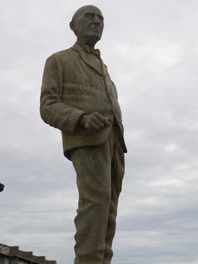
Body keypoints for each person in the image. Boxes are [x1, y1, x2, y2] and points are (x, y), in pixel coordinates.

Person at [39, 5, 127, 264]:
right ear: (72, 26)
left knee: (109, 211)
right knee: (95, 206)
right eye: (89, 16)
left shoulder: (105, 68)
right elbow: (48, 105)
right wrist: (81, 119)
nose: (97, 21)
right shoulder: (59, 60)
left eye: (101, 19)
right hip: (87, 138)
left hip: (115, 142)